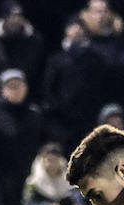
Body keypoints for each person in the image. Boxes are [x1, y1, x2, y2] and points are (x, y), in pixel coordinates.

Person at [0, 69, 45, 205]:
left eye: (19, 86)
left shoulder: (34, 114)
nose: (16, 91)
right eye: (11, 87)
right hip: (0, 176)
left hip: (30, 175)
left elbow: (41, 142)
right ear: (3, 90)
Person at [43, 18, 108, 151]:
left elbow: (101, 88)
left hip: (89, 121)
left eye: (80, 27)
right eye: (73, 27)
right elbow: (48, 89)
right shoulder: (56, 59)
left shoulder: (95, 59)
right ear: (66, 31)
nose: (76, 31)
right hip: (61, 123)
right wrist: (59, 109)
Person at [23, 143, 88, 205]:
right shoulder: (33, 183)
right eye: (48, 160)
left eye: (55, 160)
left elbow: (80, 201)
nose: (51, 164)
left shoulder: (68, 182)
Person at [0, 2, 45, 86]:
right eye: (11, 16)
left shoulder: (35, 40)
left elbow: (36, 69)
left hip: (28, 87)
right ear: (3, 18)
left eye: (19, 16)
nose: (16, 20)